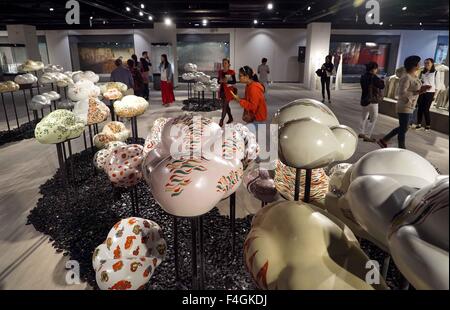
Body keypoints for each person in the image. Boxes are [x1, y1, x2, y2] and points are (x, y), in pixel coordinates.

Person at [377, 56, 431, 149]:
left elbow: (415, 90)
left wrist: (422, 90)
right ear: (414, 65)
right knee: (404, 128)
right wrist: (419, 91)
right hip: (404, 105)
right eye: (418, 63)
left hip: (411, 105)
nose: (420, 64)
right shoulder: (406, 77)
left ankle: (384, 140)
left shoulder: (414, 76)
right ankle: (401, 148)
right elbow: (401, 93)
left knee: (404, 127)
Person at [359, 62, 385, 142]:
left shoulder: (363, 77)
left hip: (364, 99)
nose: (376, 70)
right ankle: (367, 135)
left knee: (364, 117)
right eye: (376, 68)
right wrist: (382, 80)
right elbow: (382, 86)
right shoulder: (374, 77)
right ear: (373, 69)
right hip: (372, 101)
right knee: (373, 118)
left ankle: (361, 132)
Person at [414, 58, 438, 131]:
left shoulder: (436, 72)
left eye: (428, 63)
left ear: (432, 63)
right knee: (420, 108)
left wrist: (435, 95)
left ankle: (428, 125)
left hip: (430, 93)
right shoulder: (422, 72)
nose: (426, 64)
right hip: (422, 91)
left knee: (426, 109)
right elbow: (420, 82)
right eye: (425, 63)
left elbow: (437, 85)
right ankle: (419, 124)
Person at [218, 58, 237, 127]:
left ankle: (221, 120)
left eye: (225, 63)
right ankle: (231, 117)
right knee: (226, 106)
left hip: (228, 91)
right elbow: (218, 81)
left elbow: (234, 81)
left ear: (228, 64)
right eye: (223, 63)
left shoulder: (231, 72)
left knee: (224, 106)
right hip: (222, 91)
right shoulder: (220, 72)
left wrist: (227, 81)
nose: (224, 64)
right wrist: (220, 81)